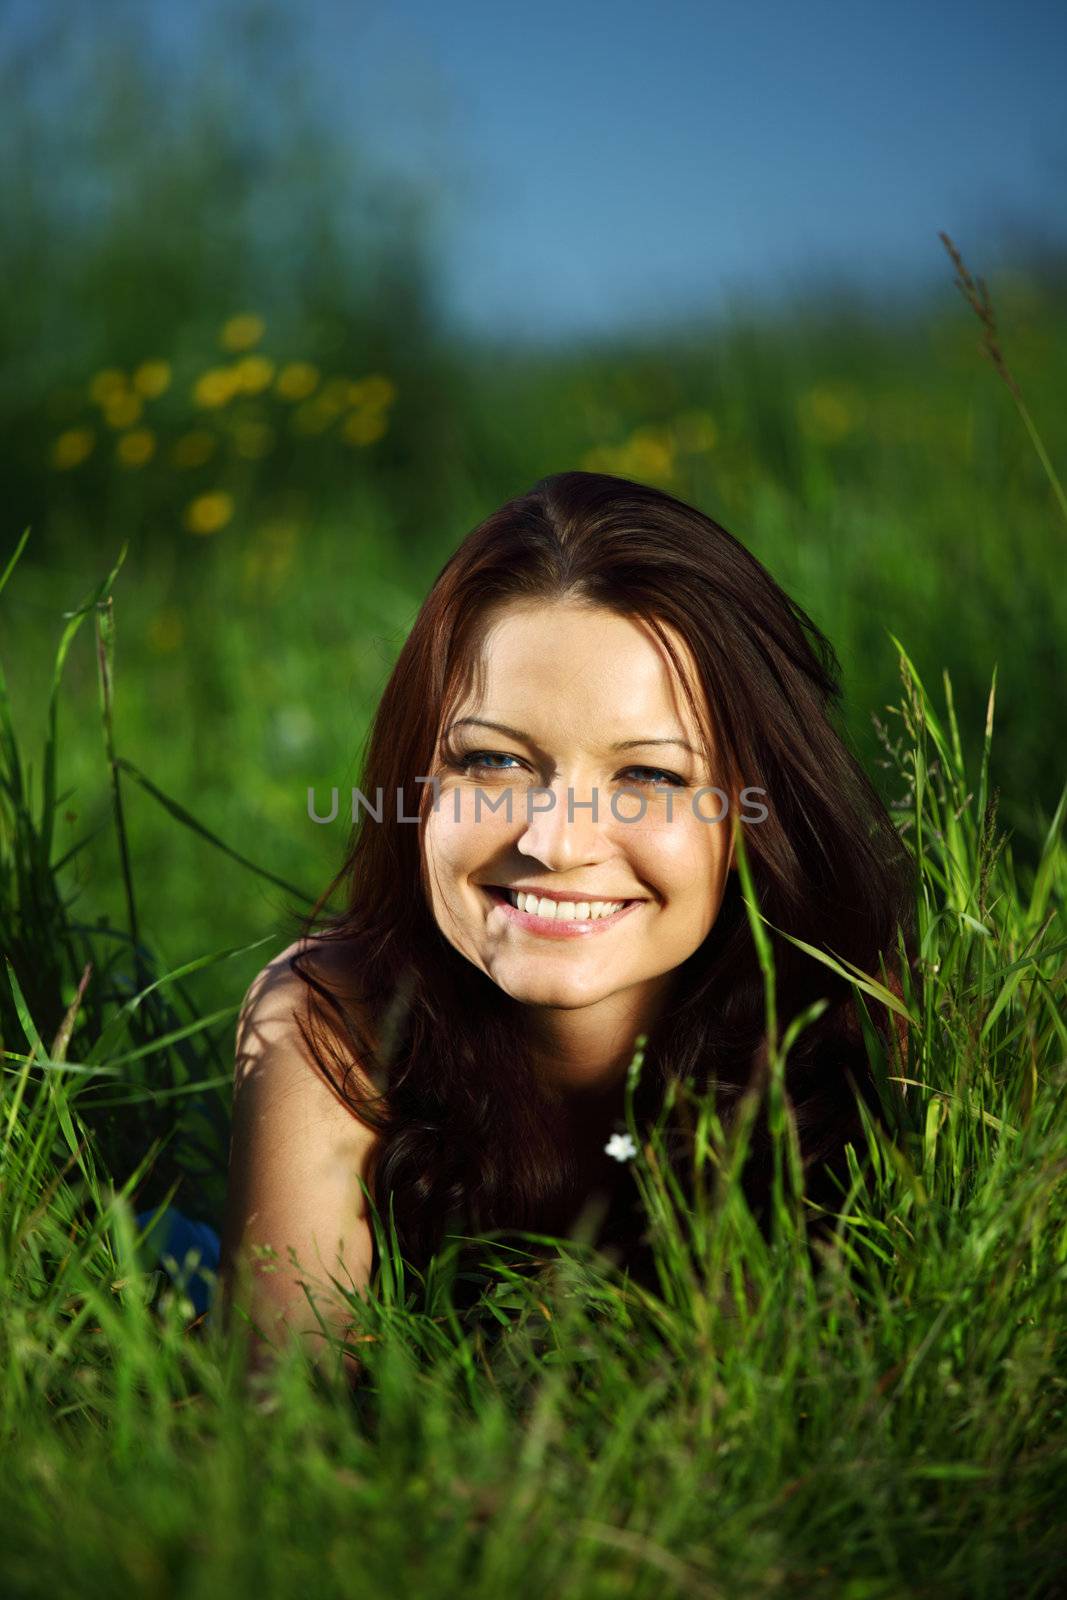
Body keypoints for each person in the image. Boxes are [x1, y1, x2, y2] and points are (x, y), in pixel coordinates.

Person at [218, 470, 916, 1383]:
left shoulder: (873, 1026)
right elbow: (290, 1421)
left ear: (758, 815)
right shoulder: (332, 1022)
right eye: (494, 760)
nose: (554, 842)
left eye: (652, 777)